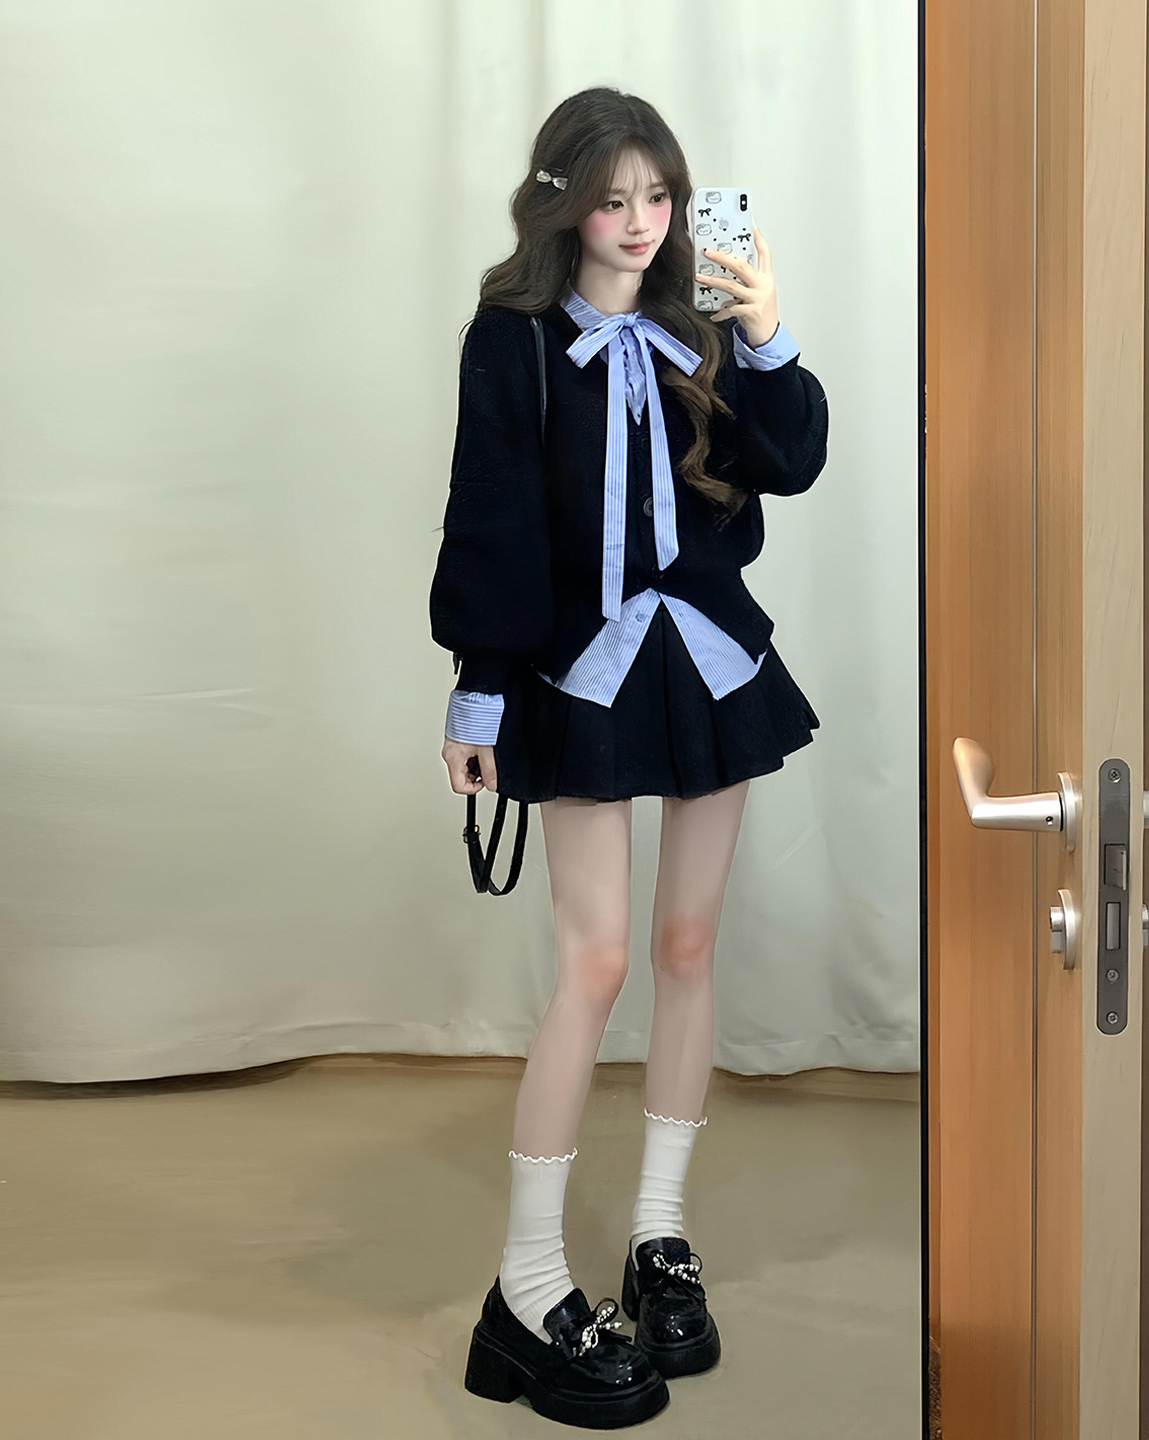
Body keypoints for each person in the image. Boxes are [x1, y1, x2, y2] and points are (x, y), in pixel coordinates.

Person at [430, 85, 828, 1429]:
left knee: (687, 946)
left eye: (660, 197)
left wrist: (763, 333)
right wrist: (480, 696)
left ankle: (660, 1234)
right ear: (564, 206)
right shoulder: (514, 339)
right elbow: (489, 513)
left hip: (706, 660)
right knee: (594, 964)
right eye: (614, 199)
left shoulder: (701, 324)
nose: (642, 222)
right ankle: (528, 1282)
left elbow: (792, 462)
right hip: (579, 670)